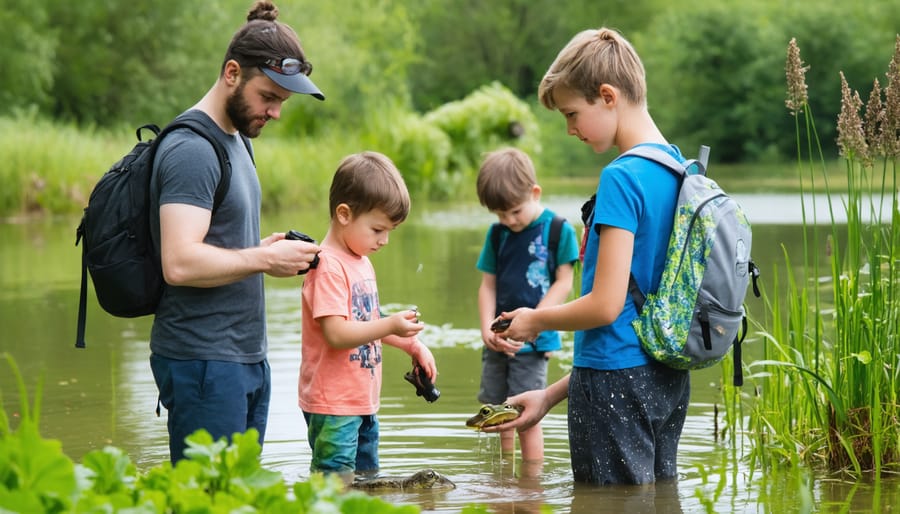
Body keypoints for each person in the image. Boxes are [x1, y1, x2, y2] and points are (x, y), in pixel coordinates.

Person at [486, 27, 692, 486]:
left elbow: (606, 306)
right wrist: (550, 395)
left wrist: (534, 321)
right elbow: (638, 324)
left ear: (607, 96)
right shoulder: (677, 169)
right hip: (668, 381)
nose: (570, 128)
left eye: (572, 113)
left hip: (614, 388)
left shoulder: (621, 177)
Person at [148, 0, 325, 463]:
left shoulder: (237, 138)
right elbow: (180, 262)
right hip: (204, 362)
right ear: (232, 73)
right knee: (208, 501)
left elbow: (215, 244)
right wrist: (264, 260)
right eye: (269, 97)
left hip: (243, 358)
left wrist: (259, 249)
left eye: (282, 102)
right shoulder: (192, 150)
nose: (276, 112)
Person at [298, 151, 438, 478]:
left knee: (366, 485)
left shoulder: (359, 260)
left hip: (361, 402)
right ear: (344, 214)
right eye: (377, 230)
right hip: (333, 405)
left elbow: (365, 320)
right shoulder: (328, 266)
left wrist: (411, 345)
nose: (384, 241)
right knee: (335, 489)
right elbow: (337, 333)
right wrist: (390, 323)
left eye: (389, 231)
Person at [474, 147, 578, 461]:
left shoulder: (559, 230)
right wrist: (485, 329)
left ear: (534, 193)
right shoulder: (497, 235)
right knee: (498, 412)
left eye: (515, 212)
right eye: (500, 214)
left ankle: (530, 483)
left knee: (526, 414)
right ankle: (505, 477)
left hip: (533, 341)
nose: (509, 220)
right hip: (499, 338)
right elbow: (487, 285)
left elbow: (565, 282)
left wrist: (536, 319)